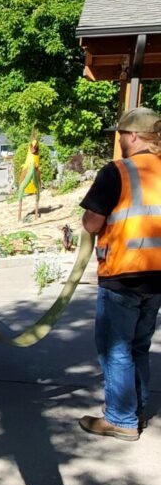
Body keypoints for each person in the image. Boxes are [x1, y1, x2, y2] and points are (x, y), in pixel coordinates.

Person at [79, 106, 161, 441]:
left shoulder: (117, 172)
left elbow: (91, 222)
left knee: (116, 349)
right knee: (139, 345)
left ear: (135, 136)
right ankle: (136, 409)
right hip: (157, 277)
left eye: (122, 135)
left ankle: (121, 419)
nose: (121, 141)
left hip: (123, 274)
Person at [17, 136, 41, 222]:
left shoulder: (36, 156)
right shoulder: (29, 158)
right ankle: (19, 215)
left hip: (34, 167)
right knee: (22, 186)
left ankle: (36, 212)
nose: (34, 148)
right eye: (32, 146)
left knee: (37, 187)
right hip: (30, 166)